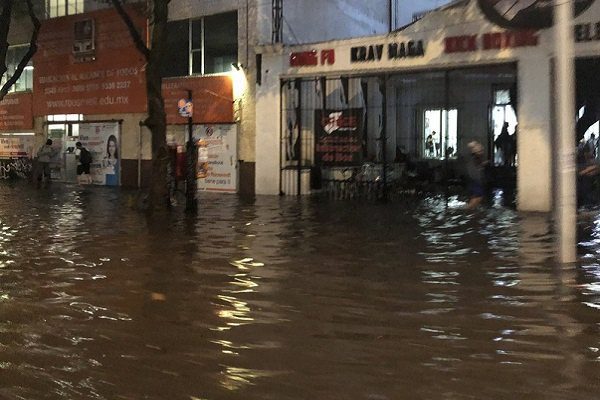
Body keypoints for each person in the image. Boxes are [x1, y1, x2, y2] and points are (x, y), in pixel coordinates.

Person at [466, 140, 488, 209]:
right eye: (480, 151)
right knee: (478, 196)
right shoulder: (475, 158)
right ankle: (468, 209)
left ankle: (471, 209)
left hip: (475, 180)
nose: (482, 152)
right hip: (475, 180)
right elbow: (476, 168)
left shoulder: (475, 158)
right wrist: (483, 164)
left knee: (477, 197)